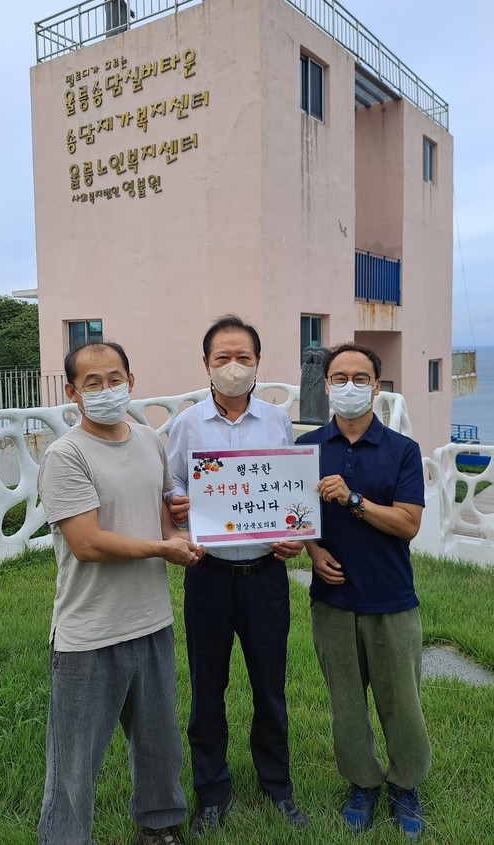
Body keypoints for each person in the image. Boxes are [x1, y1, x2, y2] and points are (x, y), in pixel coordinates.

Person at [37, 341, 203, 845]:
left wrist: (180, 539)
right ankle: (65, 838)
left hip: (152, 620)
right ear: (73, 393)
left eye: (115, 379)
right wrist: (161, 549)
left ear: (130, 381)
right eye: (93, 383)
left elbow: (160, 517)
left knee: (159, 743)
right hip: (89, 631)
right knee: (75, 761)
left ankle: (160, 825)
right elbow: (87, 544)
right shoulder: (65, 455)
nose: (106, 390)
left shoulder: (150, 440)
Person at [165, 315, 308, 835]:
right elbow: (173, 483)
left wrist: (295, 534)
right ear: (205, 364)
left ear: (257, 363)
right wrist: (178, 503)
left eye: (242, 357)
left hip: (266, 574)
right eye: (222, 357)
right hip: (209, 575)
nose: (233, 366)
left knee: (270, 686)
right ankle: (211, 791)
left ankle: (277, 785)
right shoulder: (186, 424)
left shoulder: (277, 420)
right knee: (208, 688)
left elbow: (290, 488)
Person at [296, 343, 431, 841]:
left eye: (359, 378)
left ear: (376, 387)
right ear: (326, 385)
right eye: (339, 378)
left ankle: (406, 785)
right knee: (346, 703)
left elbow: (408, 523)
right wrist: (313, 552)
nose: (348, 386)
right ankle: (362, 783)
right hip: (332, 600)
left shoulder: (402, 450)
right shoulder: (306, 447)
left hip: (390, 597)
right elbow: (294, 514)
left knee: (402, 702)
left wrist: (353, 499)